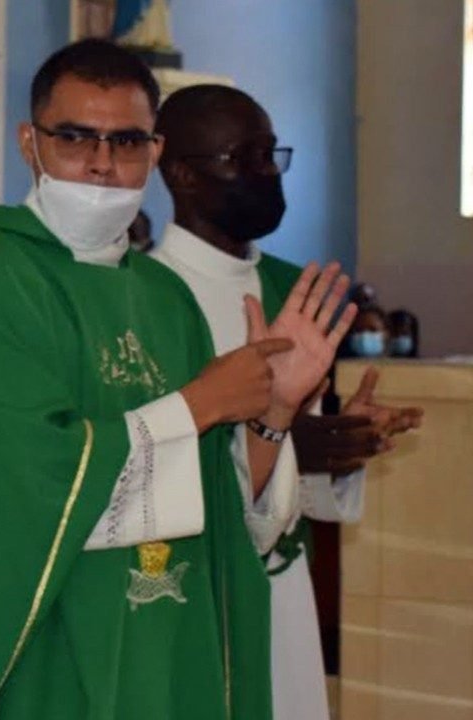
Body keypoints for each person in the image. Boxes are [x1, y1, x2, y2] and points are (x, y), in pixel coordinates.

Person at [0, 39, 352, 720]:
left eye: (127, 142)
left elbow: (226, 508)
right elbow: (23, 483)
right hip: (38, 643)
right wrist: (196, 405)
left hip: (162, 636)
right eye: (74, 137)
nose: (101, 164)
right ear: (30, 143)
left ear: (155, 150)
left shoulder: (166, 298)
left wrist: (276, 412)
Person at [151, 83, 423, 720]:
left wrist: (339, 447)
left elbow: (303, 484)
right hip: (195, 588)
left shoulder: (291, 287)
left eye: (271, 153)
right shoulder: (144, 293)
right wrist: (279, 445)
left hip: (283, 585)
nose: (267, 172)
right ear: (181, 173)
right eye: (243, 157)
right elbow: (146, 458)